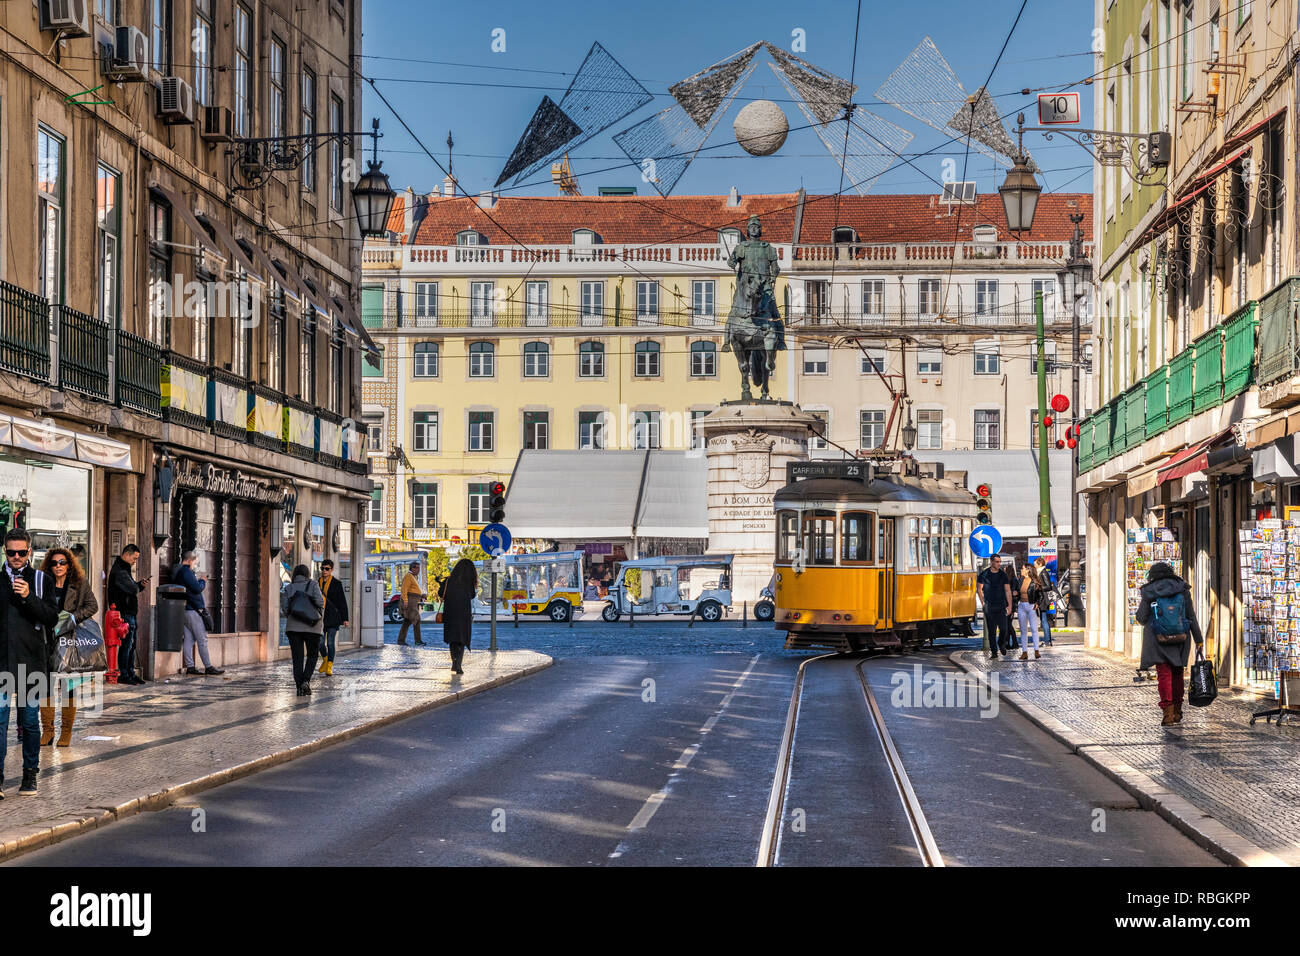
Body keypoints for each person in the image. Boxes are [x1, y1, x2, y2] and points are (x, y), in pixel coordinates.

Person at [0, 529, 59, 795]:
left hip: (31, 663)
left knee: (30, 722)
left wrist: (28, 597)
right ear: (4, 551)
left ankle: (30, 774)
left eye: (21, 552)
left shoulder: (41, 580)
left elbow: (51, 618)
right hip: (2, 662)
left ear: (29, 552)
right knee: (0, 722)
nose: (15, 557)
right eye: (11, 552)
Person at [39, 548, 97, 748]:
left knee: (67, 688)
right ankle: (47, 731)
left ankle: (66, 732)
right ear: (49, 565)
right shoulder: (43, 583)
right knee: (45, 685)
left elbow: (92, 606)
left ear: (69, 564)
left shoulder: (79, 584)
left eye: (62, 562)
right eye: (54, 563)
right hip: (46, 639)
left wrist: (73, 617)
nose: (58, 566)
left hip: (69, 640)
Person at [1135, 561, 1204, 726]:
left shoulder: (1150, 591)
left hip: (1158, 639)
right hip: (1181, 638)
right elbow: (1191, 616)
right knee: (1177, 673)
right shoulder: (1182, 588)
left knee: (1164, 675)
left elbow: (1141, 618)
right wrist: (1199, 639)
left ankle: (1168, 714)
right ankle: (1178, 710)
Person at [174, 552, 224, 677]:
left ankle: (190, 667)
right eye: (195, 562)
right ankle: (208, 666)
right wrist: (202, 581)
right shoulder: (186, 572)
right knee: (202, 639)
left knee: (189, 639)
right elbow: (196, 588)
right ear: (190, 560)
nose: (195, 565)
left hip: (185, 610)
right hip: (193, 611)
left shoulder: (180, 572)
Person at [105, 544, 148, 685]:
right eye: (134, 558)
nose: (135, 561)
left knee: (131, 644)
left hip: (128, 612)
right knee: (127, 644)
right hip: (124, 613)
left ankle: (130, 672)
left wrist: (139, 585)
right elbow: (131, 588)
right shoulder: (120, 571)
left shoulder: (124, 569)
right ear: (127, 555)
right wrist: (138, 586)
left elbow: (132, 587)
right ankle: (124, 673)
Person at [282, 564, 325, 696]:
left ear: (295, 574)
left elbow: (285, 609)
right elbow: (320, 603)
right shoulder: (313, 585)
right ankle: (306, 680)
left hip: (293, 628)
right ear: (307, 574)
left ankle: (299, 686)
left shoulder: (288, 588)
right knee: (312, 655)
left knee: (297, 658)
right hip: (313, 627)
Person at [441, 558, 477, 675]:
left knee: (453, 639)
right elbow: (472, 596)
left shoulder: (448, 580)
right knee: (462, 638)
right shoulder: (468, 583)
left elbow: (441, 593)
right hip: (463, 614)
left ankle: (454, 662)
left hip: (450, 613)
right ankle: (458, 665)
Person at [976, 555, 1014, 660]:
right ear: (991, 562)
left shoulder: (1003, 575)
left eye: (1000, 562)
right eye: (997, 562)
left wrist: (1010, 605)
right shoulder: (984, 574)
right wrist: (983, 602)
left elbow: (1007, 590)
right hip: (989, 606)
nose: (999, 564)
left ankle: (1001, 643)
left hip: (1001, 605)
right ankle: (994, 652)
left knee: (1003, 629)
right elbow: (979, 589)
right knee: (991, 630)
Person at [316, 559, 349, 676]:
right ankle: (324, 660)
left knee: (330, 642)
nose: (324, 571)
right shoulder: (317, 583)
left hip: (333, 617)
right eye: (323, 568)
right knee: (319, 642)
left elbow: (342, 602)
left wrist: (345, 618)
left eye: (327, 569)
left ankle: (330, 665)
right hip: (320, 617)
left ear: (331, 570)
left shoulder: (336, 583)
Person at [1016, 563, 1045, 661]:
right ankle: (1024, 652)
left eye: (1023, 568)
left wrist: (1038, 603)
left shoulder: (1035, 581)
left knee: (1034, 629)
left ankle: (1036, 651)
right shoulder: (1020, 580)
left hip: (1031, 606)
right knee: (1023, 631)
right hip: (1022, 606)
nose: (1021, 570)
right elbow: (1017, 592)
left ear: (1028, 570)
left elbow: (1041, 595)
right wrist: (1015, 594)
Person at [396, 561, 425, 646]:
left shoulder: (413, 576)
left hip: (414, 601)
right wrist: (405, 601)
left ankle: (401, 641)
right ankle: (418, 641)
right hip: (410, 602)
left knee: (407, 622)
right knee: (416, 620)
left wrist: (422, 595)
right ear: (413, 568)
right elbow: (404, 590)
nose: (419, 570)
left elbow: (413, 590)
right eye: (417, 568)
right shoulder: (408, 576)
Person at [1034, 557, 1056, 646]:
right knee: (1044, 620)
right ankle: (1048, 640)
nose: (1034, 565)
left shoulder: (1043, 573)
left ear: (1040, 564)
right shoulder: (1040, 572)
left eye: (1035, 563)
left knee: (1044, 621)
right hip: (1042, 598)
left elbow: (1048, 586)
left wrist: (1039, 587)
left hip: (1044, 599)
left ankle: (1047, 641)